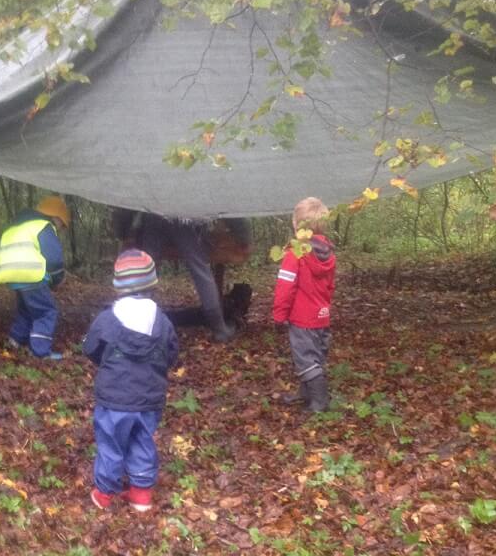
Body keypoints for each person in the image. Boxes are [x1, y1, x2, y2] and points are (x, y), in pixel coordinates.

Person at [83, 248, 179, 513]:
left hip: (114, 398)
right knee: (142, 440)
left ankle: (104, 493)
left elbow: (91, 348)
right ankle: (141, 494)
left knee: (110, 442)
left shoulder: (107, 319)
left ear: (118, 285)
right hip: (149, 398)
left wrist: (108, 362)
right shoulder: (162, 320)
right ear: (152, 283)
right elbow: (171, 353)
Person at [118, 212, 247, 343]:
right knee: (200, 269)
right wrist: (242, 235)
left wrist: (124, 232)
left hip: (154, 215)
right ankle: (219, 329)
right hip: (183, 216)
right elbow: (226, 202)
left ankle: (133, 328)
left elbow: (128, 203)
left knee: (145, 270)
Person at [272, 197, 336, 412]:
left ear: (296, 225)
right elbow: (330, 287)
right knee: (315, 356)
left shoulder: (295, 254)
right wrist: (324, 308)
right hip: (322, 316)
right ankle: (306, 393)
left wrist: (279, 315)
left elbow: (285, 287)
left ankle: (320, 402)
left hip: (302, 318)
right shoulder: (328, 254)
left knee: (305, 358)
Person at [0, 195, 70, 360]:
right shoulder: (44, 226)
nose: (60, 229)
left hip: (9, 273)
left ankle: (14, 340)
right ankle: (40, 350)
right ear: (56, 217)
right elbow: (53, 258)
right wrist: (57, 278)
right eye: (62, 225)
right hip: (30, 272)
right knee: (46, 311)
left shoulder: (18, 224)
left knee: (26, 309)